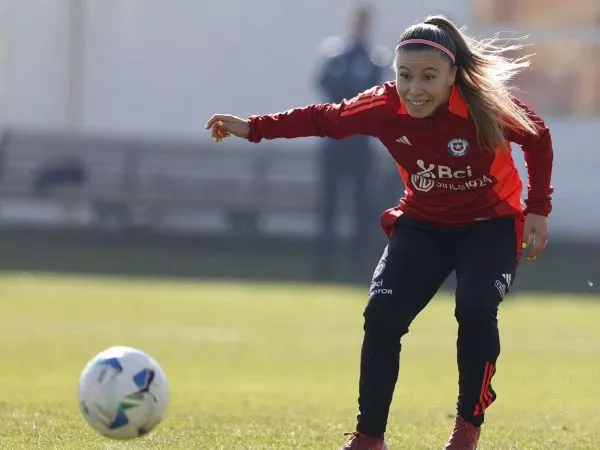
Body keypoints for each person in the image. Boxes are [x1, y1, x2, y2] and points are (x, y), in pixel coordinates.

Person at [205, 14, 553, 450]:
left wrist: (538, 209)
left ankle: (467, 428)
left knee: (476, 308)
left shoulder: (484, 105)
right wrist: (254, 128)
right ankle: (369, 436)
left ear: (452, 76)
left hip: (490, 225)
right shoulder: (384, 105)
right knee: (382, 314)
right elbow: (324, 119)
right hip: (424, 224)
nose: (415, 88)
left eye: (429, 77)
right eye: (405, 75)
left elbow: (538, 137)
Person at [314, 5, 389, 280]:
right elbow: (325, 86)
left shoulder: (374, 59)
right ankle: (324, 264)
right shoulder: (334, 55)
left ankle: (359, 263)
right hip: (334, 142)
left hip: (360, 144)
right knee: (329, 206)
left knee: (361, 206)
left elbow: (371, 94)